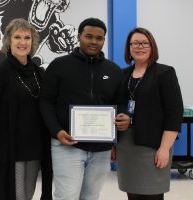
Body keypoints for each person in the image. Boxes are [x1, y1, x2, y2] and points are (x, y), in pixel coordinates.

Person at [40, 18, 123, 200]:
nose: (94, 42)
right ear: (79, 37)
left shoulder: (114, 71)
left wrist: (118, 133)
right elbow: (45, 102)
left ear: (104, 40)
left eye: (99, 38)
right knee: (67, 196)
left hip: (102, 149)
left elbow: (120, 105)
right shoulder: (59, 66)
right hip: (67, 144)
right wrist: (57, 131)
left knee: (91, 196)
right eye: (88, 36)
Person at [0, 18, 52, 200]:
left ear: (33, 41)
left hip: (35, 147)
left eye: (27, 38)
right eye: (17, 37)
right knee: (16, 196)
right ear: (9, 41)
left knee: (27, 195)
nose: (22, 42)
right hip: (10, 149)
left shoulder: (39, 72)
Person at [114, 27, 184, 200]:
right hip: (127, 146)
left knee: (152, 194)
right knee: (132, 194)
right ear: (129, 48)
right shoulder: (122, 75)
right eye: (135, 43)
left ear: (152, 46)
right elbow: (116, 108)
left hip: (153, 146)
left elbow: (174, 113)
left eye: (145, 43)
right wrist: (113, 144)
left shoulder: (165, 73)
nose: (140, 46)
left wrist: (164, 149)